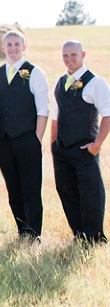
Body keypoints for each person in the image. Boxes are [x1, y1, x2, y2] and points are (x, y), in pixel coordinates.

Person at [0, 31, 49, 241]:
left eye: (17, 44)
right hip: (3, 141)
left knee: (31, 187)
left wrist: (36, 139)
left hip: (27, 140)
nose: (13, 48)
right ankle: (22, 230)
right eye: (9, 45)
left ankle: (34, 234)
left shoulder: (35, 72)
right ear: (3, 48)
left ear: (24, 47)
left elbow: (43, 110)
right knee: (13, 188)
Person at [51, 40, 110, 244]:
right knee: (66, 190)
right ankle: (80, 234)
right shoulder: (60, 82)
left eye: (73, 55)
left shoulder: (96, 82)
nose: (69, 59)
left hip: (85, 149)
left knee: (90, 193)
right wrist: (53, 144)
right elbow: (56, 115)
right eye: (65, 55)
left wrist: (96, 145)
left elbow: (108, 115)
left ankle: (94, 237)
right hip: (62, 149)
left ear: (83, 54)